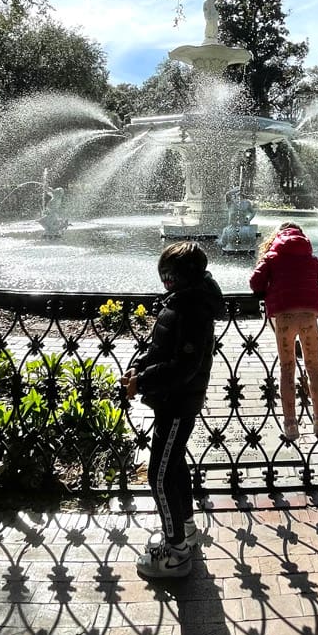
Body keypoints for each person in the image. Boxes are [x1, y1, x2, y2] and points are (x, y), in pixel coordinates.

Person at [122, 241, 225, 578]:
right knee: (174, 467)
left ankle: (176, 551)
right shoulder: (184, 301)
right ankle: (186, 530)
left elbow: (184, 365)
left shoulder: (193, 308)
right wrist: (139, 368)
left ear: (180, 277)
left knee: (160, 475)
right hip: (172, 400)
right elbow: (162, 347)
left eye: (168, 275)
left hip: (178, 402)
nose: (164, 281)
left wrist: (144, 382)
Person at [249, 222, 318, 440]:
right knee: (314, 366)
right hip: (309, 318)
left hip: (284, 319)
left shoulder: (272, 257)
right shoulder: (309, 258)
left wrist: (270, 287)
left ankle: (291, 425)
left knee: (287, 368)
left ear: (277, 238)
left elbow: (255, 283)